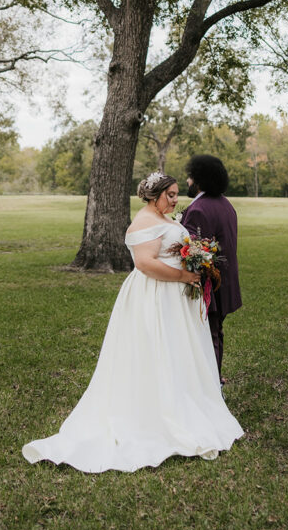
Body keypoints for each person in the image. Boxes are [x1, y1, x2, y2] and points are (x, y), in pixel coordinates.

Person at [22, 172, 243, 473]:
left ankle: (187, 404)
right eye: (171, 195)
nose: (176, 200)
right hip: (154, 296)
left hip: (176, 297)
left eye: (177, 194)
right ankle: (156, 414)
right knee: (155, 350)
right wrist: (183, 275)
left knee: (180, 352)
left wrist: (196, 264)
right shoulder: (143, 222)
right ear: (154, 195)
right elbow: (144, 263)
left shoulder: (165, 218)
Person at [181, 155, 241, 383]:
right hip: (226, 282)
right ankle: (214, 379)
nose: (188, 181)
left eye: (190, 177)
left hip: (209, 285)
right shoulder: (226, 205)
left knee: (208, 335)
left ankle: (211, 386)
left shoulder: (199, 209)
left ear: (198, 180)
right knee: (216, 333)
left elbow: (193, 253)